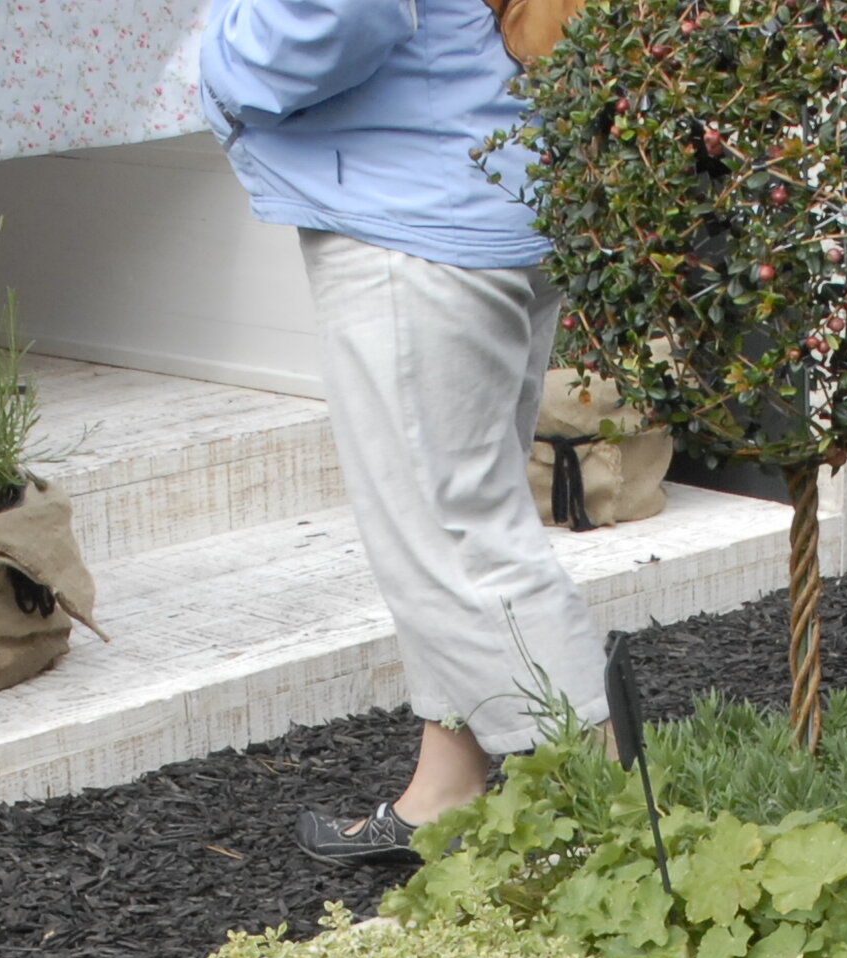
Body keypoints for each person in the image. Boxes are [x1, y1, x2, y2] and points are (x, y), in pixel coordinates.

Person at [199, 0, 610, 864]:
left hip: (416, 212)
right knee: (463, 516)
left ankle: (617, 827)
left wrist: (220, 68)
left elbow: (343, 12)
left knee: (455, 535)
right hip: (486, 177)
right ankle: (447, 790)